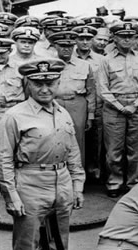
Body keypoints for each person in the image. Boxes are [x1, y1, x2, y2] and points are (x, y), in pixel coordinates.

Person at [0, 58, 85, 250]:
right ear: (27, 84)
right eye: (38, 83)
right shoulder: (14, 115)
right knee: (27, 246)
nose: (45, 88)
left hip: (61, 181)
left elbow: (73, 151)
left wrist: (78, 185)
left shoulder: (63, 112)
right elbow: (4, 160)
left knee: (59, 243)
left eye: (50, 83)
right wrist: (11, 196)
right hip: (30, 182)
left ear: (58, 83)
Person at [97, 21, 138, 197]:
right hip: (113, 107)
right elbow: (102, 87)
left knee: (137, 149)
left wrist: (135, 105)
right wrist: (119, 106)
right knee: (113, 149)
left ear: (136, 39)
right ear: (114, 38)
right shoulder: (105, 60)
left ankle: (133, 182)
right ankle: (114, 182)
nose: (126, 40)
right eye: (122, 36)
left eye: (130, 37)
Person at [50, 30, 96, 168]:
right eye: (62, 46)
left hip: (77, 104)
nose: (66, 49)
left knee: (77, 140)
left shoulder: (84, 65)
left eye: (70, 46)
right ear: (55, 46)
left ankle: (77, 174)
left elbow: (91, 92)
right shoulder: (49, 64)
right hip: (54, 103)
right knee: (54, 138)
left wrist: (90, 115)